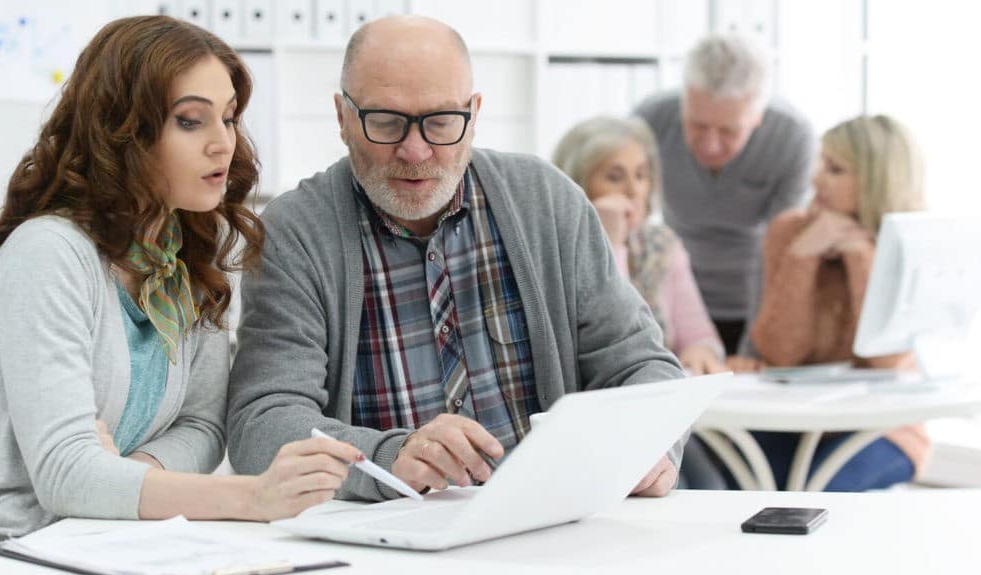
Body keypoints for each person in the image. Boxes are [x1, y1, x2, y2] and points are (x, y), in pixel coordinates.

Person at [227, 15, 686, 502]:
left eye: (441, 121)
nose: (415, 149)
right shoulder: (294, 232)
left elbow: (642, 366)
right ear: (342, 118)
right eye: (385, 122)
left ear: (474, 113)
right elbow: (262, 425)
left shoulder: (545, 200)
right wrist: (387, 458)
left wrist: (653, 446)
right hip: (390, 542)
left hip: (550, 519)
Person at [0, 16, 363, 561]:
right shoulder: (48, 254)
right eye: (191, 121)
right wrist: (253, 496)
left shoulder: (187, 258)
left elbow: (203, 427)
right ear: (123, 131)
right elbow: (63, 476)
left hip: (112, 540)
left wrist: (122, 476)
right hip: (7, 553)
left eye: (228, 117)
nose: (224, 143)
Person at [747, 114, 930, 490]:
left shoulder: (912, 240)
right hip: (793, 420)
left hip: (884, 427)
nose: (816, 179)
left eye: (835, 169)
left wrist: (861, 256)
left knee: (822, 490)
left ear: (875, 179)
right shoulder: (789, 231)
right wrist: (802, 256)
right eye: (820, 164)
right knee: (738, 487)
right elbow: (781, 353)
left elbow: (888, 360)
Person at [634, 33, 816, 359]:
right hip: (672, 307)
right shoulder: (650, 120)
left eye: (729, 131)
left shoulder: (792, 136)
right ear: (684, 102)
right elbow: (632, 232)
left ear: (758, 117)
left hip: (752, 303)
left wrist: (754, 346)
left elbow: (777, 247)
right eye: (697, 125)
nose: (710, 144)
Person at [552, 116, 726, 375]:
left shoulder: (661, 244)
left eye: (641, 175)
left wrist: (702, 349)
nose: (634, 190)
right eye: (614, 177)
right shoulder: (554, 248)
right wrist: (610, 244)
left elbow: (701, 335)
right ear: (577, 184)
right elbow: (617, 342)